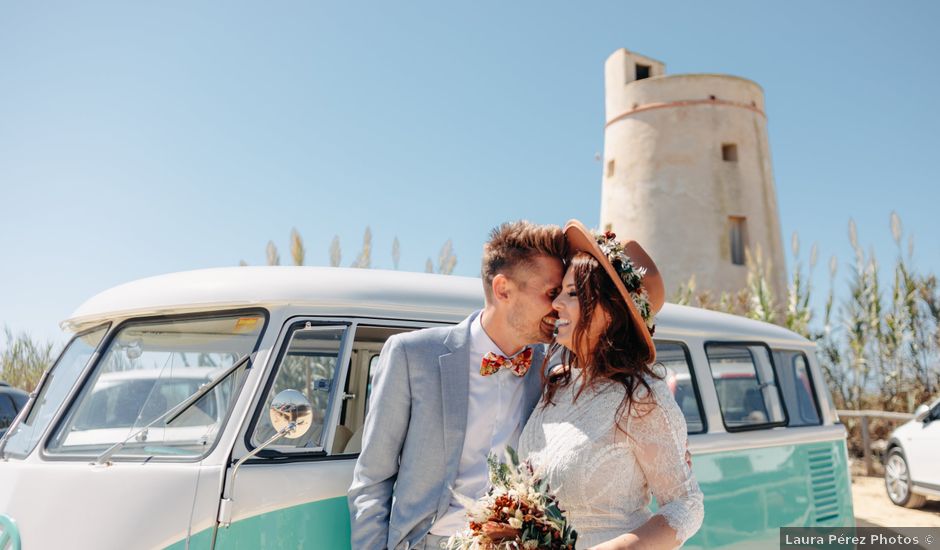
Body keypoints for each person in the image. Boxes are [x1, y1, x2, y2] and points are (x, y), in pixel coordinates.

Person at [348, 220, 566, 550]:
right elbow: (371, 479)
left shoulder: (549, 368)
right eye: (552, 293)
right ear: (503, 289)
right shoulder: (412, 355)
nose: (559, 306)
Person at [517, 219, 704, 549]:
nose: (557, 303)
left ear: (611, 313)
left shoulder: (643, 397)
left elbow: (686, 505)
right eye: (559, 292)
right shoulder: (556, 386)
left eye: (572, 294)